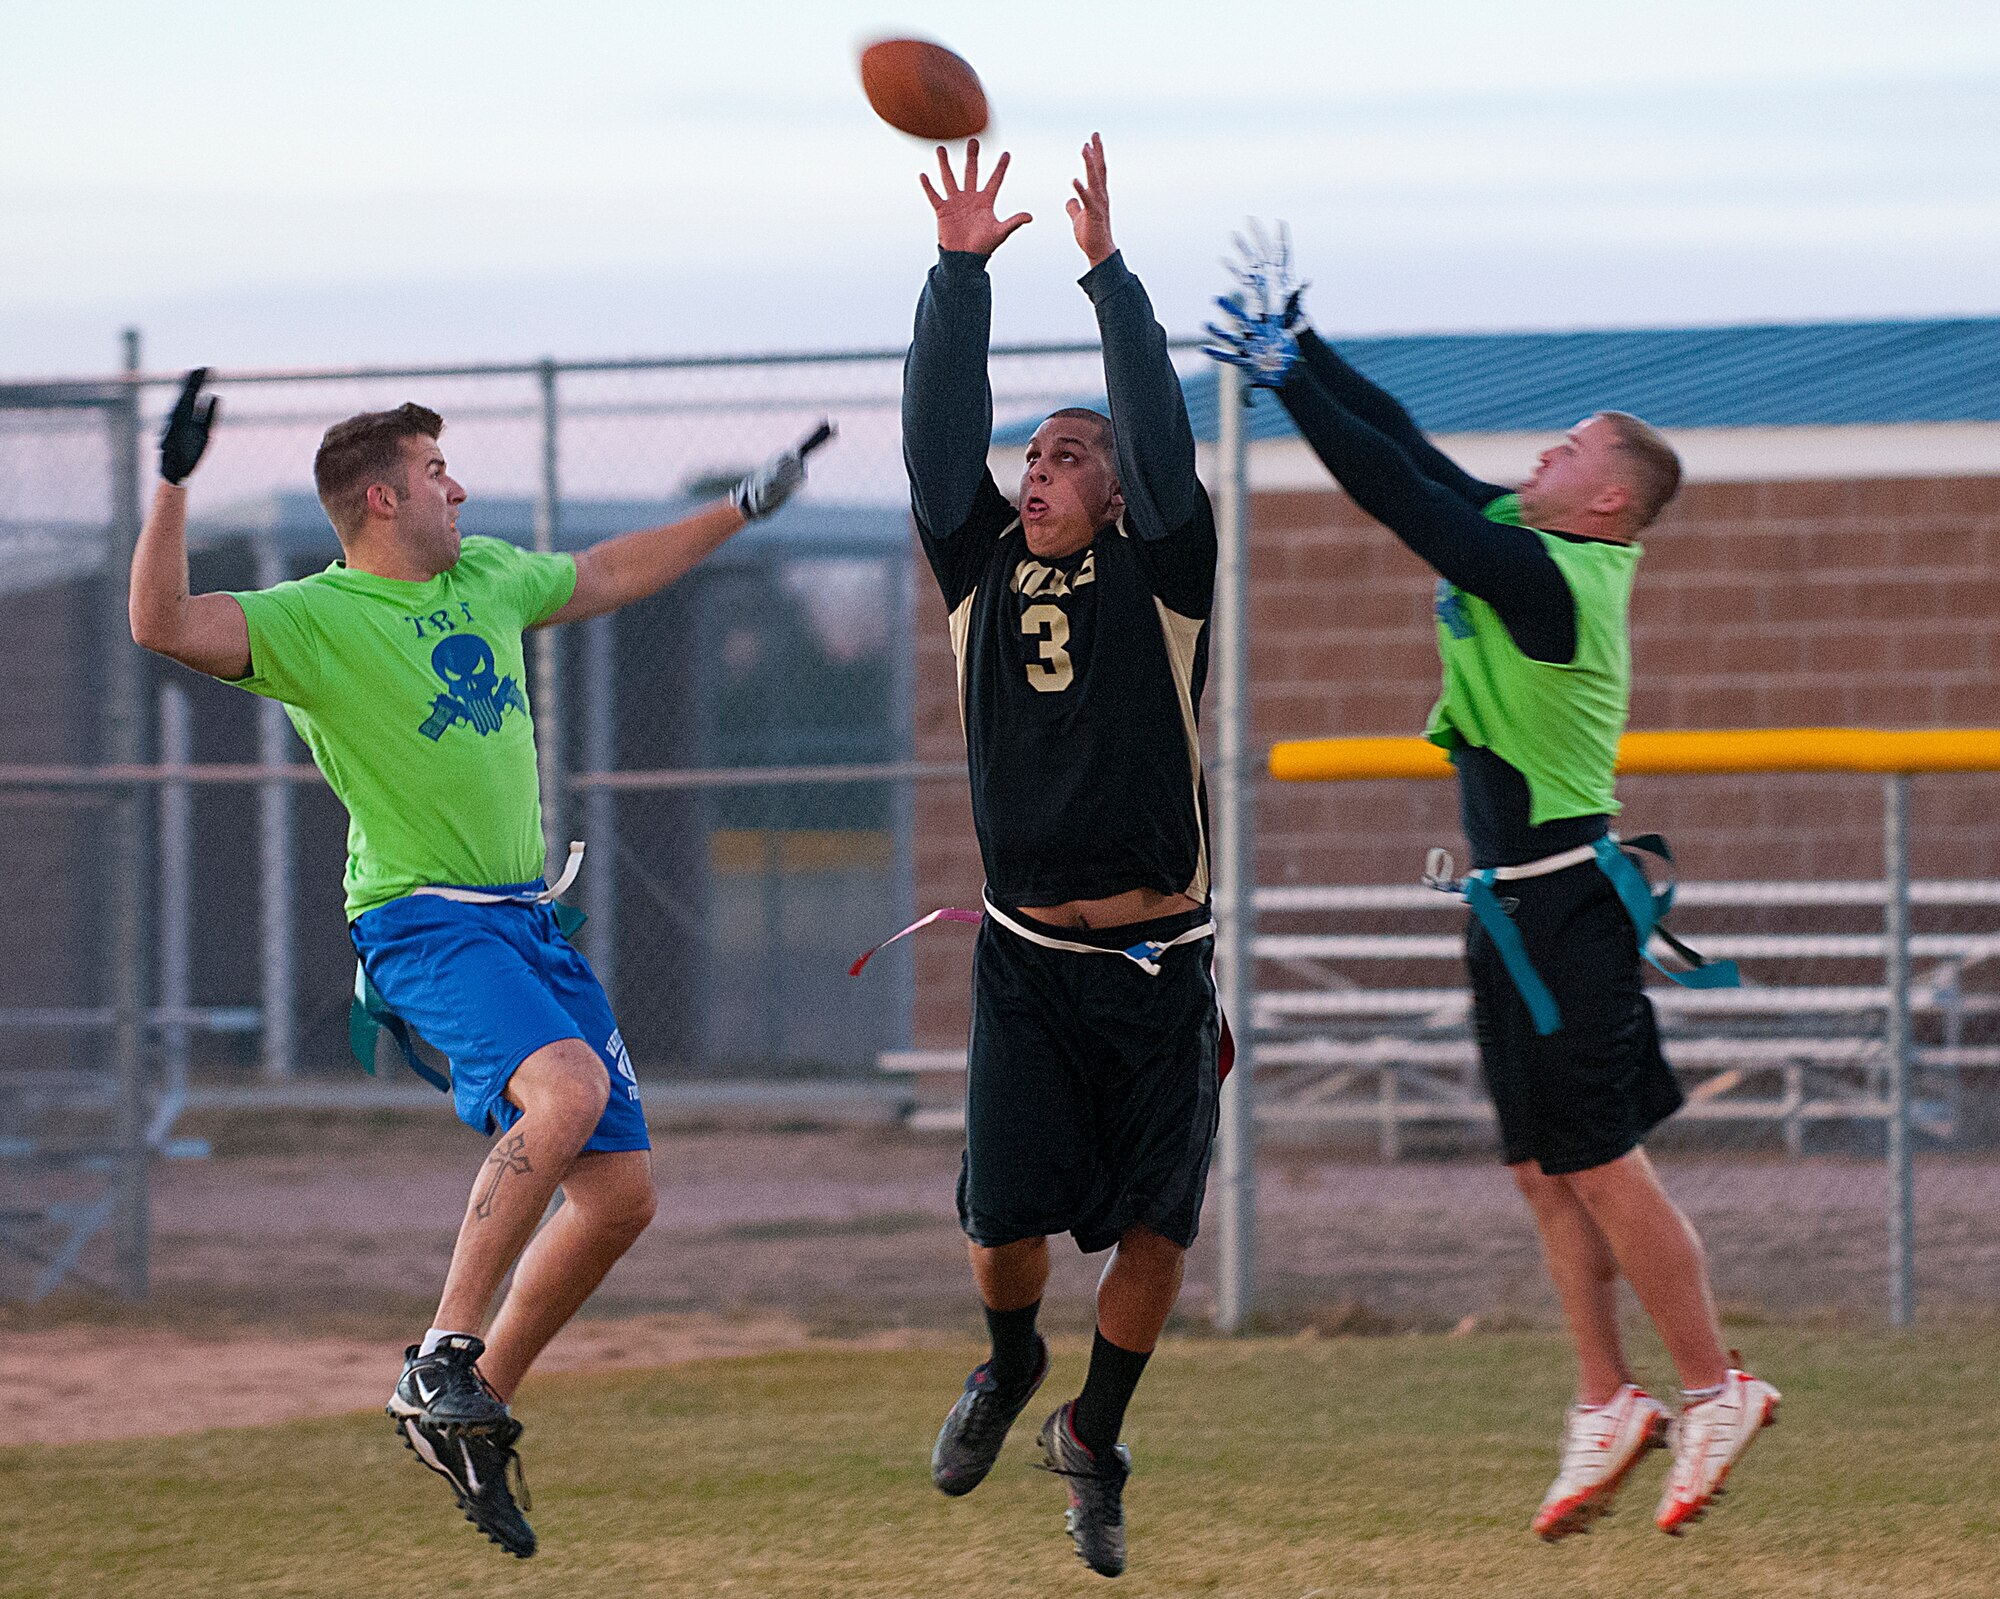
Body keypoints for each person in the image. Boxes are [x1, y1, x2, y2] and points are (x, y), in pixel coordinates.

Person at [129, 372, 828, 1558]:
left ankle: (468, 1406)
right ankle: (441, 1354)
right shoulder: (312, 617)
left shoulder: (487, 576)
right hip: (422, 922)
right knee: (567, 1094)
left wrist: (741, 509)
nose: (460, 486)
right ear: (381, 499)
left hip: (525, 926)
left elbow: (606, 573)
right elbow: (162, 624)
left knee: (619, 1196)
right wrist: (173, 480)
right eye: (438, 472)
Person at [1207, 233, 1778, 1542]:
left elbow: (1405, 508)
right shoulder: (1533, 532)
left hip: (1570, 899)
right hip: (1508, 903)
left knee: (1603, 1162)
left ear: (1609, 505)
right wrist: (1312, 344)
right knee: (1540, 1166)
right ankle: (1608, 1396)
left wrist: (1289, 385)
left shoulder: (1554, 579)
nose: (1545, 459)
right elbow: (1411, 454)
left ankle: (1716, 1380)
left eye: (1571, 452)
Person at [901, 134, 1221, 1580]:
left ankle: (1095, 1430)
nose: (1040, 468)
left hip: (1159, 963)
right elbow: (932, 439)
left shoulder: (1167, 569)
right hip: (1031, 960)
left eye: (1068, 454)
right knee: (1004, 1219)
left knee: (1157, 1222)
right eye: (1033, 453)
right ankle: (1015, 1353)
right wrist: (959, 272)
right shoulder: (980, 568)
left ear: (1119, 487)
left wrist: (1107, 277)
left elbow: (1160, 437)